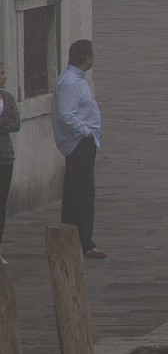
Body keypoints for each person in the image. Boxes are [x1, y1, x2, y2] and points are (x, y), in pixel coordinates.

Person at [53, 40, 102, 259]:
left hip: (82, 141)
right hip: (79, 143)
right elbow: (66, 114)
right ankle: (84, 241)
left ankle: (73, 237)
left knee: (75, 191)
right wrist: (85, 132)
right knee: (82, 192)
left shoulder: (75, 80)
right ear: (86, 58)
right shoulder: (71, 82)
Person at [0, 60, 20, 244]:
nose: (4, 77)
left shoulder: (7, 98)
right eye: (1, 73)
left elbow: (15, 122)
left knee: (1, 204)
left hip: (4, 157)